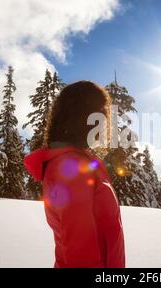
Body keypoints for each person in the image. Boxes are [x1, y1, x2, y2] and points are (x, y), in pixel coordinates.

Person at [24, 81, 125, 268]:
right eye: (100, 111)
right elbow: (80, 247)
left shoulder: (78, 162)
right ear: (82, 116)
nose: (104, 121)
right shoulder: (70, 167)